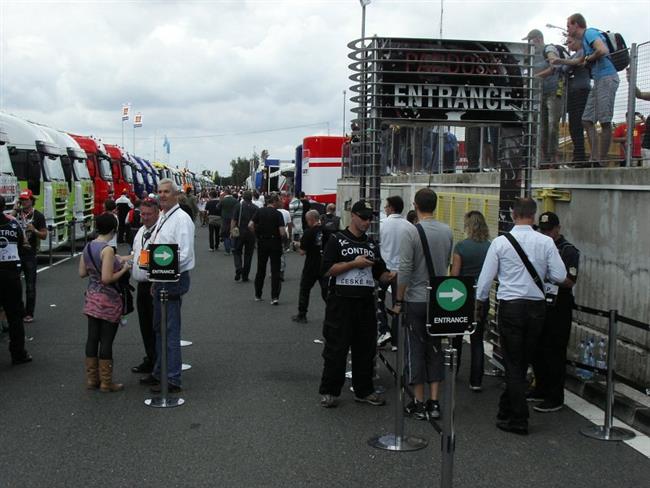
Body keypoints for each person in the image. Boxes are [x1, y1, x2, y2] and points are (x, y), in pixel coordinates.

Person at [475, 197, 567, 435]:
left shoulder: (500, 242)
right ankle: (505, 409)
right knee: (523, 360)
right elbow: (559, 275)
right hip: (537, 308)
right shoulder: (546, 242)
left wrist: (480, 303)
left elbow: (485, 280)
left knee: (513, 362)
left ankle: (518, 418)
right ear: (534, 216)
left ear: (513, 215)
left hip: (511, 306)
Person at [318, 200, 395, 408]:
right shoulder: (337, 239)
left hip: (364, 303)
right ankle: (329, 391)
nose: (367, 222)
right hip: (341, 303)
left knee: (365, 349)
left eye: (370, 218)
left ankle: (364, 390)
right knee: (336, 349)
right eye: (363, 217)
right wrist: (353, 264)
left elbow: (380, 273)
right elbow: (326, 269)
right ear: (353, 216)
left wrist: (392, 276)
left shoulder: (371, 244)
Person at [394, 189, 453, 420]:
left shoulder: (411, 231)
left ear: (415, 204)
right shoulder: (447, 231)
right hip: (438, 299)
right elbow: (446, 262)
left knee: (415, 349)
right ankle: (435, 401)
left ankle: (418, 401)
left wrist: (398, 299)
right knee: (436, 349)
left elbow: (405, 269)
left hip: (416, 298)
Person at [140, 178, 195, 393]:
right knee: (159, 328)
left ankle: (172, 378)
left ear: (176, 195)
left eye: (166, 192)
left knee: (169, 330)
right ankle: (159, 371)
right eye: (160, 192)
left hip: (173, 278)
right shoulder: (164, 216)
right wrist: (154, 275)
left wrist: (157, 266)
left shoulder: (181, 219)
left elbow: (184, 253)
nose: (162, 195)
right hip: (162, 277)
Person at [529, 212, 580, 413]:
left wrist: (550, 275)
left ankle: (555, 395)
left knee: (555, 351)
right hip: (541, 302)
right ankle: (540, 387)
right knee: (537, 347)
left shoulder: (568, 251)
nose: (546, 233)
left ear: (558, 229)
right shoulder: (541, 246)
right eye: (543, 230)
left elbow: (570, 280)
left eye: (550, 230)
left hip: (560, 304)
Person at [79, 213, 131, 392]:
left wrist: (123, 258)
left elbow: (82, 272)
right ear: (113, 229)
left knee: (92, 338)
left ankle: (92, 379)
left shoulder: (88, 246)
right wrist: (124, 269)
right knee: (106, 340)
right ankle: (106, 383)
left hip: (91, 298)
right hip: (108, 300)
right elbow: (107, 278)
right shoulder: (107, 249)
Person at [566, 13, 620, 166]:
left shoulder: (589, 33)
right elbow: (579, 60)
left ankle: (601, 160)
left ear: (576, 24)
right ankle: (594, 158)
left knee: (604, 120)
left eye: (568, 25)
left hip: (607, 78)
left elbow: (602, 50)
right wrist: (560, 61)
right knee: (587, 120)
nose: (568, 29)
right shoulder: (584, 41)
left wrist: (589, 59)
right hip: (598, 81)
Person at [450, 211, 492, 391]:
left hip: (462, 296)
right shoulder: (490, 246)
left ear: (468, 226)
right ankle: (476, 381)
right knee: (477, 339)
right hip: (481, 298)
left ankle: (454, 371)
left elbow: (455, 275)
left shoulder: (461, 247)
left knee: (457, 337)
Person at [0, 195, 32, 365]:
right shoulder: (13, 224)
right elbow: (22, 244)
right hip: (11, 274)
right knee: (15, 316)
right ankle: (18, 353)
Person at [524, 29, 563, 166]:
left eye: (531, 41)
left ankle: (554, 157)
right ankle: (544, 158)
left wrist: (535, 78)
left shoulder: (549, 49)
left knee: (553, 124)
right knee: (542, 127)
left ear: (538, 39)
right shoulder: (532, 56)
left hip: (553, 92)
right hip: (539, 94)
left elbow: (555, 66)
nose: (530, 44)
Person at [130, 198, 160, 374]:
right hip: (141, 284)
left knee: (155, 326)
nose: (145, 217)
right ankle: (150, 358)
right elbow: (138, 255)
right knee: (145, 326)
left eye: (149, 214)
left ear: (157, 213)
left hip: (153, 284)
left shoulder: (160, 232)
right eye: (143, 214)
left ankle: (157, 362)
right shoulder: (141, 230)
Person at [377, 195, 411, 346]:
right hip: (401, 271)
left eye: (386, 206)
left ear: (391, 207)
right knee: (398, 304)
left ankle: (384, 331)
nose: (385, 208)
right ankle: (397, 341)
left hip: (384, 270)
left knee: (378, 300)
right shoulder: (409, 226)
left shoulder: (381, 224)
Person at [552, 34, 591, 164]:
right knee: (574, 125)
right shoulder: (574, 55)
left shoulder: (582, 52)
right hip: (574, 92)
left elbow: (568, 66)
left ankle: (580, 156)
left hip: (580, 91)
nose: (568, 45)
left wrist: (561, 61)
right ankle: (578, 155)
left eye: (569, 42)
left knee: (577, 125)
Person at [13, 189, 46, 323]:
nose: (24, 202)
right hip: (15, 254)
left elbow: (44, 235)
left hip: (30, 255)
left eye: (26, 200)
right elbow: (6, 220)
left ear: (31, 200)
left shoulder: (38, 216)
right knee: (14, 285)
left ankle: (29, 313)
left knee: (30, 286)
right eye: (21, 200)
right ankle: (17, 311)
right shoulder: (16, 215)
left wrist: (35, 230)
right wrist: (15, 209)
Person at [249, 193, 286, 305]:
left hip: (262, 242)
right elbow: (282, 231)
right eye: (279, 200)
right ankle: (274, 297)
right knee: (275, 270)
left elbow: (250, 225)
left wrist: (257, 234)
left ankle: (258, 294)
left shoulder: (259, 211)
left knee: (261, 269)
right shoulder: (278, 214)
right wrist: (284, 239)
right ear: (274, 202)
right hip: (275, 242)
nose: (280, 202)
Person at [291, 210, 326, 323]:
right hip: (325, 263)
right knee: (326, 291)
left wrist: (296, 245)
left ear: (311, 220)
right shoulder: (326, 230)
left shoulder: (308, 232)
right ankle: (334, 313)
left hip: (311, 264)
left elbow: (302, 251)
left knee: (305, 289)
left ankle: (302, 314)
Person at [231, 190, 258, 282]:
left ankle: (238, 267)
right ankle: (245, 275)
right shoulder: (256, 208)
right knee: (248, 254)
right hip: (251, 233)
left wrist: (231, 231)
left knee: (237, 251)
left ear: (243, 197)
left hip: (239, 231)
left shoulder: (238, 206)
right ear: (251, 197)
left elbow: (234, 220)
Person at [219, 189, 238, 255]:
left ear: (226, 193)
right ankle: (233, 247)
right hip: (234, 218)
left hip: (225, 219)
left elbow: (218, 207)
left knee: (225, 234)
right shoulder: (235, 200)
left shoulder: (223, 200)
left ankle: (227, 250)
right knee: (233, 233)